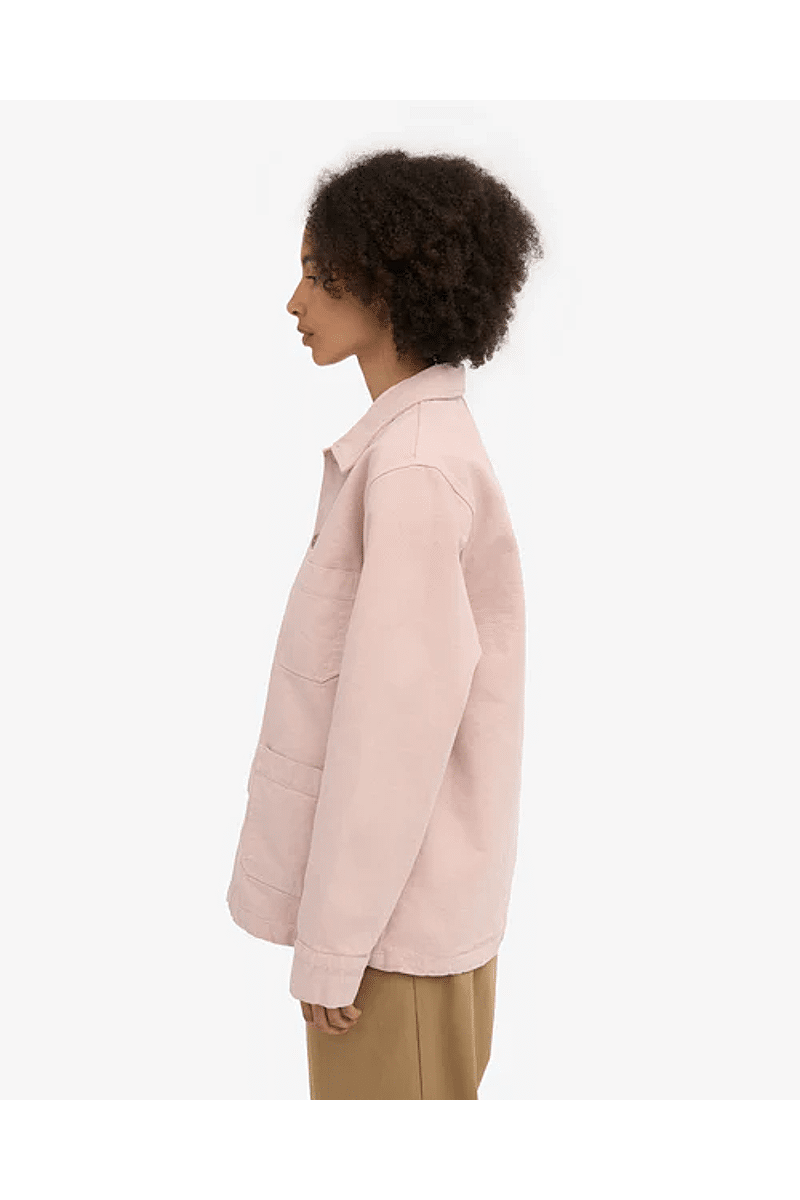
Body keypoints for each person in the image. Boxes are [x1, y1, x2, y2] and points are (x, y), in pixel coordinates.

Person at [226, 147, 544, 1098]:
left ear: (388, 282)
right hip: (410, 925)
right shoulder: (420, 448)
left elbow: (392, 733)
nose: (294, 301)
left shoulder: (410, 470)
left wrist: (333, 945)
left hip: (388, 948)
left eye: (317, 274)